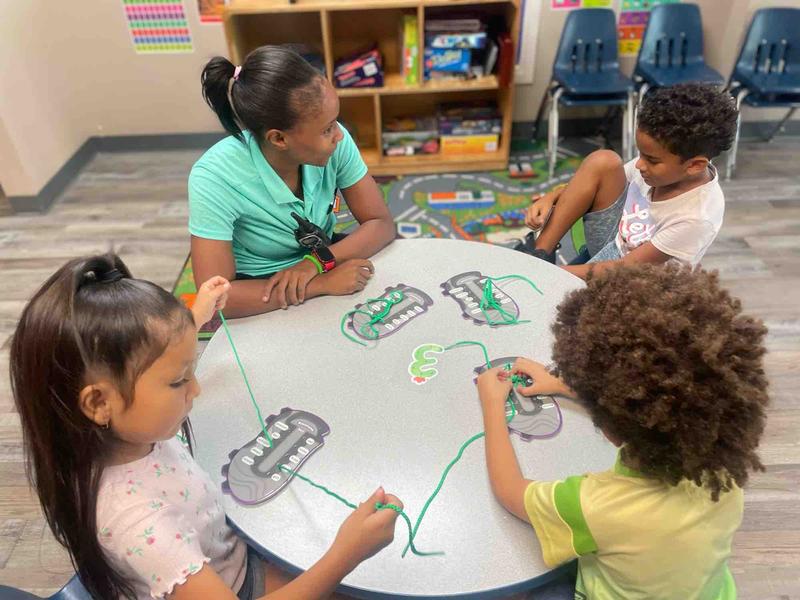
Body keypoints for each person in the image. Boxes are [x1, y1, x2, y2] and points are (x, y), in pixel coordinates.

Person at [10, 253, 402, 599]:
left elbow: (154, 363)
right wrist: (346, 554)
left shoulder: (125, 430)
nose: (195, 389)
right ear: (99, 403)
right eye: (179, 380)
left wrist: (197, 316)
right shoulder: (138, 523)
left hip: (231, 550)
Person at [476, 264, 768, 598]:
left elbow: (509, 490)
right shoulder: (724, 470)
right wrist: (568, 385)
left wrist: (492, 405)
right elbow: (657, 403)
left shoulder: (593, 506)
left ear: (611, 426)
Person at [190, 45, 395, 317]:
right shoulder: (213, 177)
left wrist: (316, 263)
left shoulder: (334, 141)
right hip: (257, 283)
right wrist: (319, 284)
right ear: (279, 139)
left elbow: (381, 224)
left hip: (321, 255)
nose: (340, 136)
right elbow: (215, 297)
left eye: (335, 122)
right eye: (327, 129)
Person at [517, 83, 737, 279]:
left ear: (694, 165)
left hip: (635, 279)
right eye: (640, 154)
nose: (639, 164)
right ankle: (539, 254)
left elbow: (625, 267)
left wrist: (553, 275)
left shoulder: (697, 218)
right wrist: (552, 197)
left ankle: (540, 271)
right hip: (616, 241)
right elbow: (595, 183)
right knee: (604, 160)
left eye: (650, 159)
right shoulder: (657, 168)